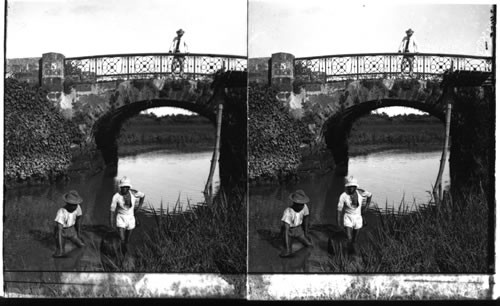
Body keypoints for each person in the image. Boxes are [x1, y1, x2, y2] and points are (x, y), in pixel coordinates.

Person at [337, 176, 372, 253]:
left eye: (353, 187)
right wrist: (339, 222)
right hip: (348, 217)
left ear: (356, 187)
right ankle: (346, 252)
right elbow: (339, 210)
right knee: (348, 237)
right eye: (349, 187)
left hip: (358, 218)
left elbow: (370, 195)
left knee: (354, 240)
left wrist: (367, 206)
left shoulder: (360, 192)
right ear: (347, 187)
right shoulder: (343, 196)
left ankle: (352, 251)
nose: (351, 188)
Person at [109, 177, 145, 250]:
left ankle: (125, 250)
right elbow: (112, 211)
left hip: (131, 218)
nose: (124, 188)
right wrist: (111, 223)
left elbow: (143, 195)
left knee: (127, 240)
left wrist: (140, 206)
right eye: (123, 187)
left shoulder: (134, 193)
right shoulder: (116, 196)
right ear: (120, 187)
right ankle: (120, 251)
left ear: (129, 187)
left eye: (126, 187)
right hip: (121, 217)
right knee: (121, 238)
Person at [280, 189, 313, 258]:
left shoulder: (304, 207)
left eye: (302, 204)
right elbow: (286, 230)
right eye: (300, 205)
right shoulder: (288, 212)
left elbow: (306, 218)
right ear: (295, 203)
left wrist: (306, 233)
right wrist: (287, 249)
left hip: (299, 230)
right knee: (288, 250)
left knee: (309, 245)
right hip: (290, 231)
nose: (302, 206)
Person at [53, 190, 86, 258]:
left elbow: (78, 221)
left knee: (82, 246)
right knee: (60, 252)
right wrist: (61, 250)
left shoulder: (78, 207)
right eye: (72, 205)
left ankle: (75, 260)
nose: (74, 207)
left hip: (71, 230)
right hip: (62, 232)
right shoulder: (61, 212)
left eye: (75, 205)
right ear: (67, 203)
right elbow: (59, 230)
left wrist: (78, 233)